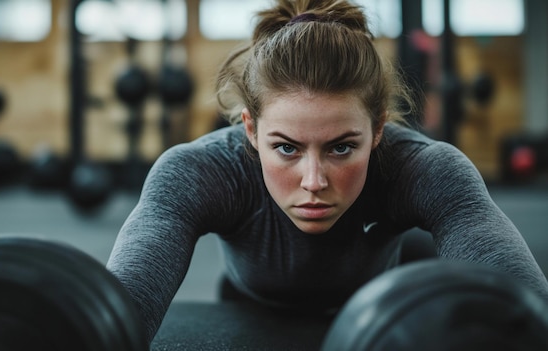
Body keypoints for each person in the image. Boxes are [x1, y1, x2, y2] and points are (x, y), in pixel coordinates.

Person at [107, 0, 548, 344]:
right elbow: (116, 314)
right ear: (251, 129)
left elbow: (526, 310)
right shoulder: (199, 171)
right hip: (250, 308)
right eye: (285, 148)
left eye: (341, 147)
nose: (314, 181)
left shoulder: (424, 168)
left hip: (385, 300)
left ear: (377, 129)